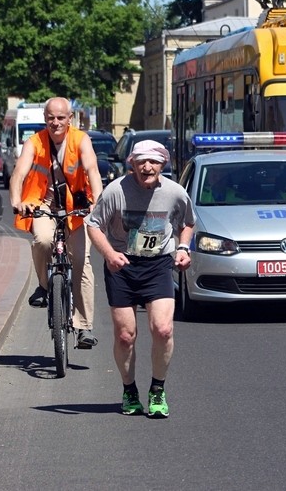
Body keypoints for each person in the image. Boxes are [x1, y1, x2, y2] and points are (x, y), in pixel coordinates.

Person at [85, 140, 196, 418]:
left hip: (158, 264)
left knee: (163, 329)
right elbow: (93, 225)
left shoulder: (174, 192)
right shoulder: (116, 191)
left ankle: (157, 389)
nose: (147, 167)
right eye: (141, 161)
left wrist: (183, 248)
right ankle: (129, 390)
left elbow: (188, 222)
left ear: (163, 164)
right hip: (122, 266)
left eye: (154, 162)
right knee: (125, 336)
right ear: (132, 164)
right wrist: (109, 254)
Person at [9, 97, 102, 349]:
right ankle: (43, 285)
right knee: (42, 240)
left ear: (70, 118)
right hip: (42, 202)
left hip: (75, 204)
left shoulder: (81, 140)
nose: (56, 122)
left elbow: (92, 170)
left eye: (61, 117)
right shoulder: (34, 142)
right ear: (45, 119)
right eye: (51, 118)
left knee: (81, 261)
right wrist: (17, 201)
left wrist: (98, 202)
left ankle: (84, 327)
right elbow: (18, 174)